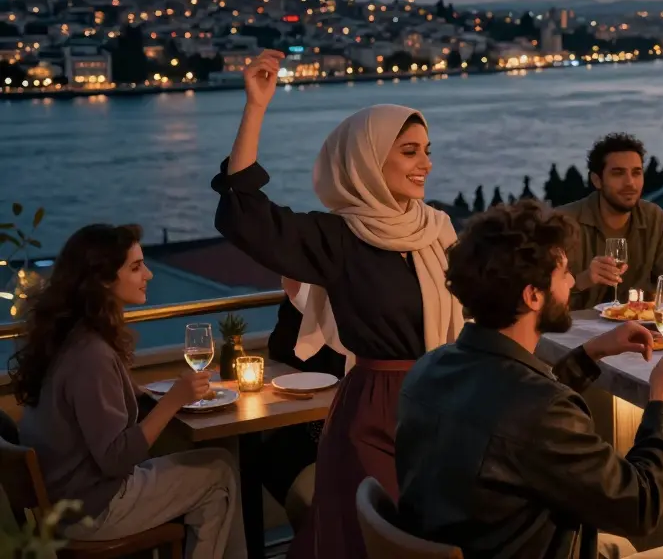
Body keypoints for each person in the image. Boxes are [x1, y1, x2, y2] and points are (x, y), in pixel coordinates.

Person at [212, 49, 465, 559]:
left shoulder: (438, 230)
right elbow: (246, 215)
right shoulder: (339, 236)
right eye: (410, 152)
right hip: (376, 412)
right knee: (373, 541)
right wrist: (256, 107)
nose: (426, 165)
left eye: (427, 150)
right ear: (369, 159)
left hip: (443, 404)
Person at [397, 200, 663, 559]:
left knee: (617, 545)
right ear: (532, 295)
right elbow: (639, 506)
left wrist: (588, 354)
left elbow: (514, 416)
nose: (574, 282)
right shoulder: (539, 407)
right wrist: (662, 405)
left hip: (490, 543)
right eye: (564, 274)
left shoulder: (429, 368)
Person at [12, 224, 246, 559]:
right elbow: (116, 459)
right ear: (104, 280)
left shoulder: (70, 337)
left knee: (215, 460)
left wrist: (144, 395)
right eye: (136, 267)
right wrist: (174, 399)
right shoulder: (91, 354)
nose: (148, 274)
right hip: (93, 510)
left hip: (66, 500)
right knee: (220, 472)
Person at [560, 134, 663, 310]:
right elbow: (543, 299)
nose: (630, 183)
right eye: (618, 173)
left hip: (640, 328)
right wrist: (585, 279)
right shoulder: (565, 223)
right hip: (574, 333)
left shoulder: (653, 217)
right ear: (597, 180)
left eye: (636, 173)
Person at [260, 277, 345, 519]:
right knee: (264, 454)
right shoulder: (298, 304)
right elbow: (279, 350)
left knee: (274, 456)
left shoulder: (347, 304)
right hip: (309, 419)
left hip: (339, 425)